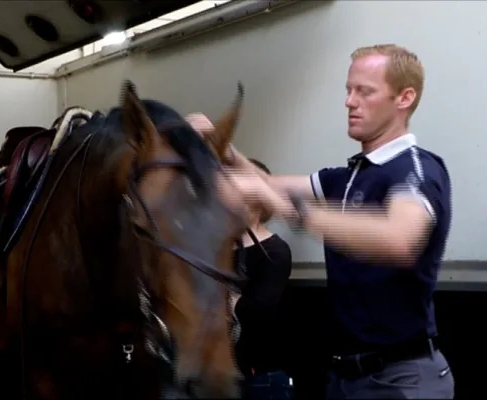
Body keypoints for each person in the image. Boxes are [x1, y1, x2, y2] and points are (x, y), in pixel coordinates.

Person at [187, 44, 454, 399]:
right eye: (348, 90)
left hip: (400, 380)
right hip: (346, 378)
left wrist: (286, 208)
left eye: (365, 91)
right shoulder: (346, 177)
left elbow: (400, 240)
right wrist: (221, 148)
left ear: (405, 98)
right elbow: (264, 184)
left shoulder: (415, 169)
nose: (349, 102)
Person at [231, 158, 293, 400]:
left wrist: (228, 299)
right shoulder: (216, 248)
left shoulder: (275, 251)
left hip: (259, 377)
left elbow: (260, 312)